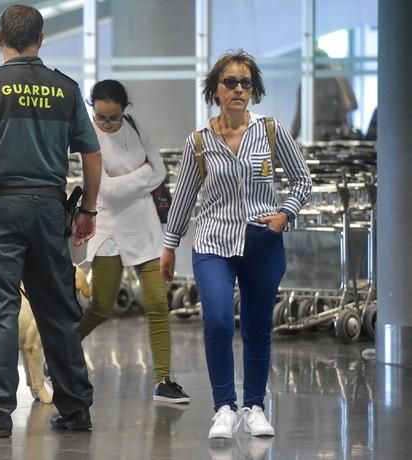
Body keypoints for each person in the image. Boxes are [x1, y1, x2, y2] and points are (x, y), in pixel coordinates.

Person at [0, 4, 102, 438]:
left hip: (1, 211)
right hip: (50, 211)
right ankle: (75, 408)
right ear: (41, 39)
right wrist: (87, 209)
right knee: (58, 310)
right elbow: (92, 153)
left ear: (0, 39)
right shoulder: (65, 89)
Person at [160, 50, 311, 439]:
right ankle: (224, 408)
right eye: (230, 82)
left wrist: (285, 214)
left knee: (258, 327)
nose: (239, 89)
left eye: (245, 83)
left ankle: (255, 406)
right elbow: (184, 197)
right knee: (219, 320)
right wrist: (169, 244)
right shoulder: (199, 142)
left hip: (263, 241)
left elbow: (302, 181)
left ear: (254, 90)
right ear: (216, 90)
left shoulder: (271, 131)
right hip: (213, 241)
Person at [78, 79, 190, 404]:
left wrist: (129, 179)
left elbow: (161, 171)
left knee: (158, 303)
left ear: (125, 110)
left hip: (145, 228)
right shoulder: (87, 135)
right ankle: (59, 354)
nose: (108, 124)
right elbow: (107, 193)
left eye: (113, 117)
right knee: (101, 306)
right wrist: (142, 174)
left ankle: (164, 380)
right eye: (101, 117)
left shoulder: (136, 125)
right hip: (108, 231)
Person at [291, 49, 358, 141]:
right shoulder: (338, 79)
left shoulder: (308, 84)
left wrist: (289, 140)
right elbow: (352, 105)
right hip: (332, 136)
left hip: (326, 136)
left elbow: (299, 117)